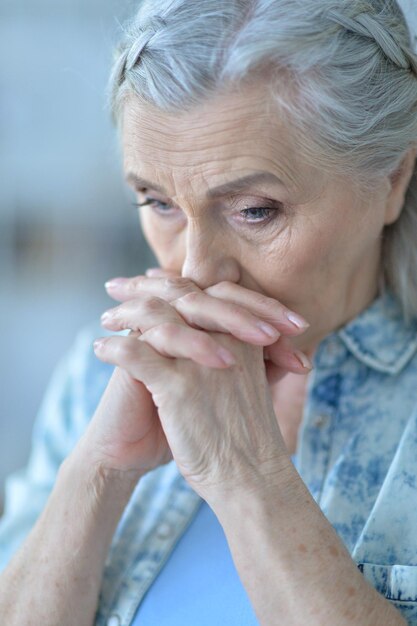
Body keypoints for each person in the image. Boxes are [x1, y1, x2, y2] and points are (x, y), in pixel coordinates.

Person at [1, 0, 417, 623]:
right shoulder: (100, 370)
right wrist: (98, 472)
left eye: (255, 210)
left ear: (392, 179)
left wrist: (246, 475)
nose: (195, 272)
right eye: (157, 202)